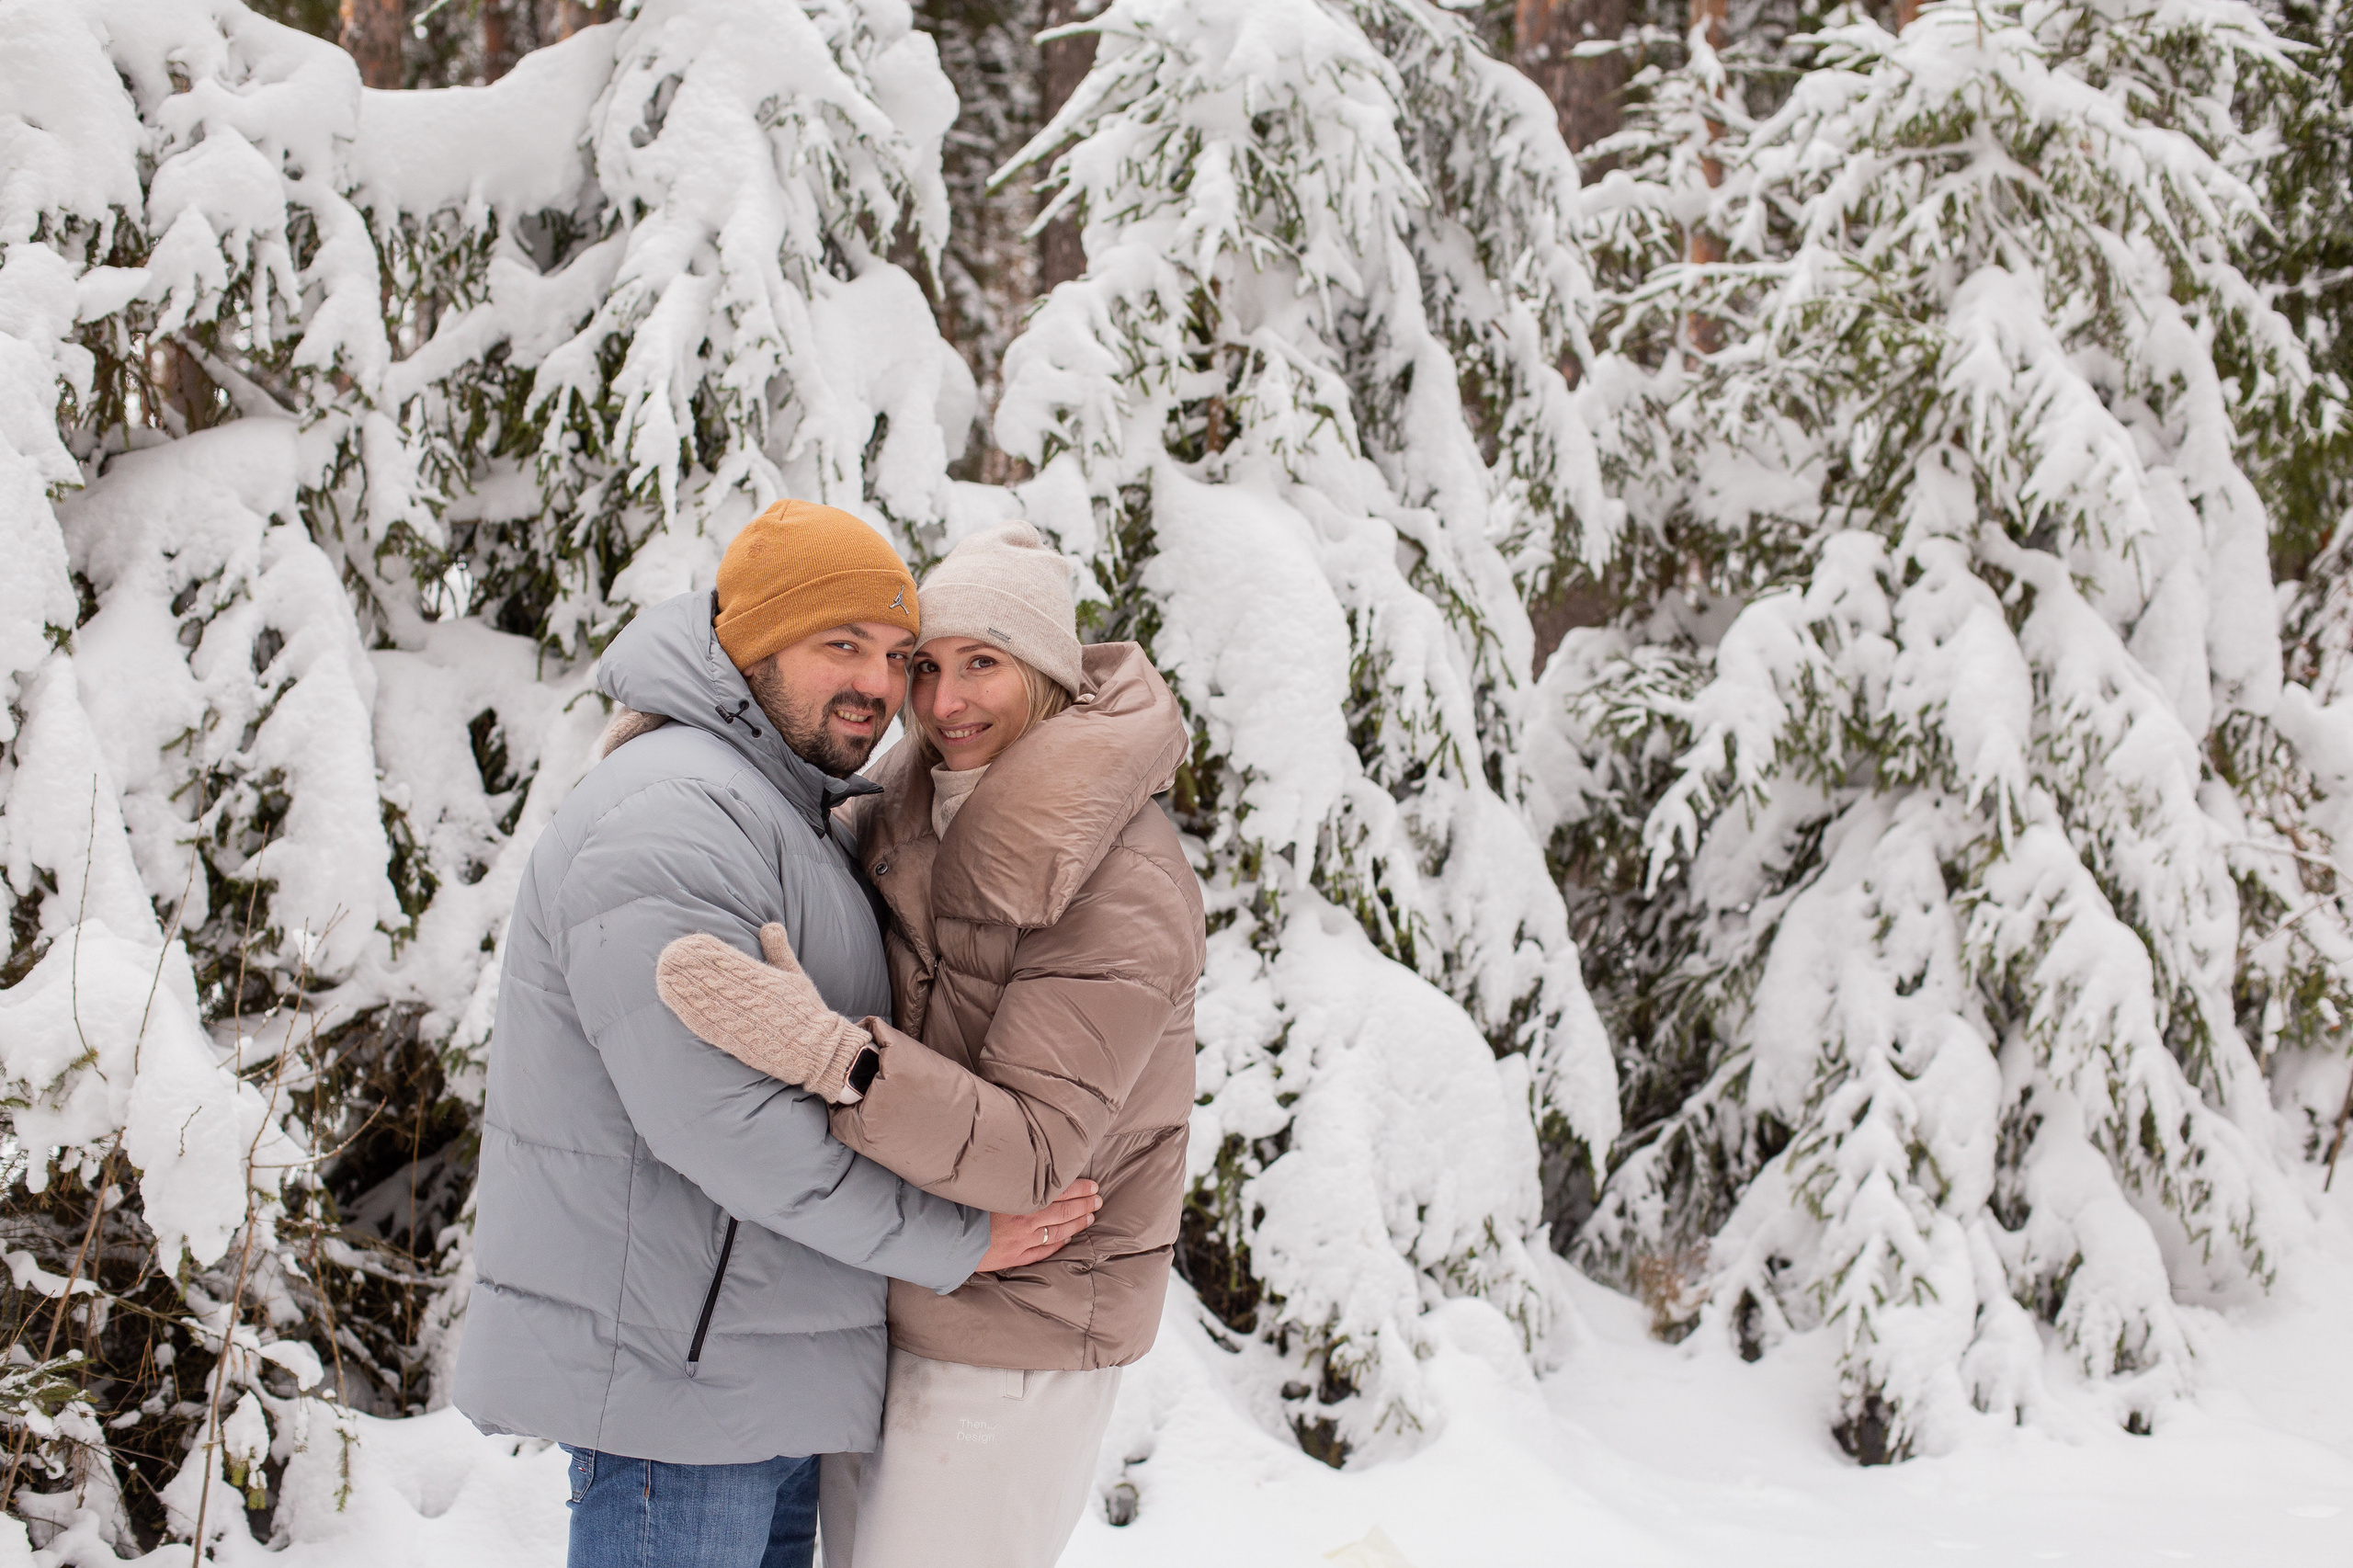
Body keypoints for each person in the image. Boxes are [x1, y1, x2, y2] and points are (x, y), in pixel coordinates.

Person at [450, 501, 1102, 1568]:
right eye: (838, 644)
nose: (878, 685)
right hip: (685, 1391)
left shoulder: (777, 807)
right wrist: (956, 1239)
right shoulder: (675, 816)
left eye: (896, 654)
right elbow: (723, 1124)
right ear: (749, 645)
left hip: (748, 1374)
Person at [655, 520, 1209, 1568]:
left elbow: (1032, 1151)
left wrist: (839, 1060)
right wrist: (665, 759)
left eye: (984, 665)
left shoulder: (1121, 878)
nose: (946, 701)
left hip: (1023, 1324)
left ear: (1044, 671)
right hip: (912, 1281)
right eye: (928, 667)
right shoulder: (917, 804)